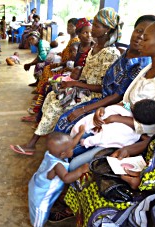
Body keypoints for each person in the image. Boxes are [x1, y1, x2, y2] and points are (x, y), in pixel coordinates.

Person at [11, 8, 122, 155]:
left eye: (96, 25)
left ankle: (35, 144)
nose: (92, 27)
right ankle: (46, 135)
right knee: (51, 95)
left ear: (107, 29)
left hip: (93, 95)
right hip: (82, 88)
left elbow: (102, 87)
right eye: (93, 23)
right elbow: (87, 72)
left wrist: (74, 84)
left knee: (56, 104)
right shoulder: (95, 47)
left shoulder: (110, 53)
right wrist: (76, 75)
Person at [54, 15, 155, 135]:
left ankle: (60, 149)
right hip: (105, 100)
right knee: (58, 99)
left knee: (68, 121)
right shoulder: (127, 53)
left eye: (146, 37)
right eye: (138, 31)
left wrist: (84, 109)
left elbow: (118, 97)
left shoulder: (141, 65)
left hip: (109, 104)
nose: (140, 37)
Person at [28, 129, 90, 227]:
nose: (73, 149)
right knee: (39, 214)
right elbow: (66, 178)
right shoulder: (58, 165)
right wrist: (81, 170)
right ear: (63, 154)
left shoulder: (51, 153)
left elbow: (71, 144)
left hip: (37, 183)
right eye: (72, 150)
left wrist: (80, 133)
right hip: (41, 195)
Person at [31, 18, 79, 87]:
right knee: (46, 66)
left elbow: (72, 58)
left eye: (71, 26)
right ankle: (40, 87)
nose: (68, 28)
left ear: (77, 27)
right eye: (68, 26)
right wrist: (60, 54)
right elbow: (67, 53)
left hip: (66, 66)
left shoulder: (75, 41)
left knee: (47, 69)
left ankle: (42, 90)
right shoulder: (71, 40)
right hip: (63, 62)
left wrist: (59, 64)